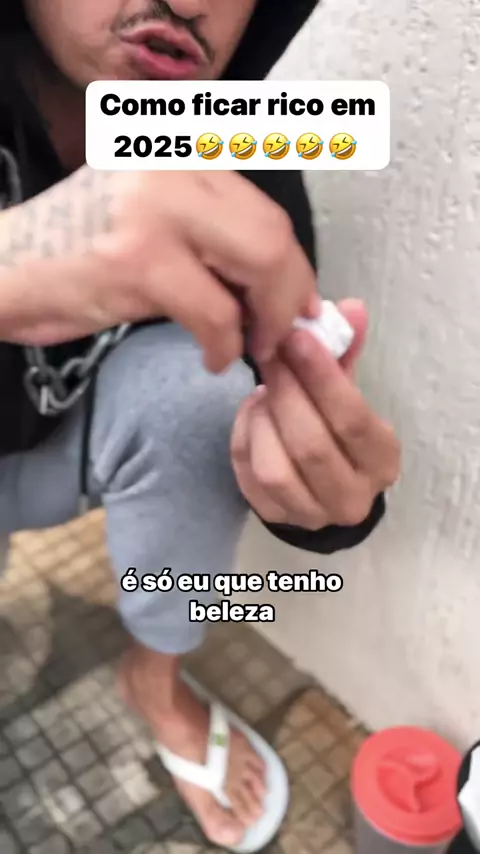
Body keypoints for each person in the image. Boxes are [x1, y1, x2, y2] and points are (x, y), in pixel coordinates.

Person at [0, 0, 400, 849]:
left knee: (210, 393)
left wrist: (317, 498)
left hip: (78, 447)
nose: (187, 2)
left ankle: (155, 677)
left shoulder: (233, 139)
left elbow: (282, 385)